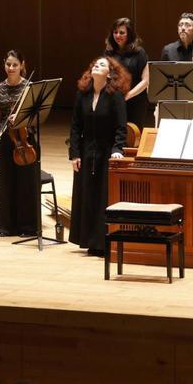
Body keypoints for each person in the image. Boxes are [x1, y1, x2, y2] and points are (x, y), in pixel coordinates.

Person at [68, 56, 129, 256]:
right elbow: (75, 127)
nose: (97, 65)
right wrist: (74, 154)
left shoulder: (115, 96)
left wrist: (117, 150)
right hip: (86, 151)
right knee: (87, 194)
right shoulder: (83, 94)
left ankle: (102, 243)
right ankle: (88, 240)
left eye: (102, 65)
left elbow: (121, 127)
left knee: (102, 195)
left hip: (106, 151)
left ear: (110, 73)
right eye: (95, 63)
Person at [0, 50, 40, 238]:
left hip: (26, 139)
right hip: (5, 140)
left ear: (22, 65)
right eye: (8, 64)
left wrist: (22, 118)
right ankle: (6, 226)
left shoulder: (30, 87)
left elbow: (36, 119)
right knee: (6, 182)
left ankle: (28, 226)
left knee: (26, 183)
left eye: (15, 65)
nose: (11, 68)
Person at [105, 18, 149, 128]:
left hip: (135, 101)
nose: (118, 35)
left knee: (133, 136)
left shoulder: (139, 52)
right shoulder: (109, 52)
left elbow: (146, 81)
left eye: (122, 33)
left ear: (129, 34)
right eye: (115, 32)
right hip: (114, 100)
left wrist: (127, 96)